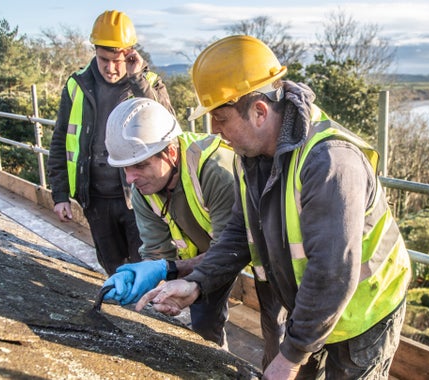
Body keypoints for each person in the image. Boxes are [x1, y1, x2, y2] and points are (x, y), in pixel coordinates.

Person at [134, 35, 411, 379]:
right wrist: (198, 282)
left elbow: (331, 272)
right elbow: (239, 233)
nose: (217, 133)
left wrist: (290, 356)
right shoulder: (250, 156)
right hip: (308, 307)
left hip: (365, 310)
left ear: (259, 111)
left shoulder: (328, 163)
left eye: (220, 119)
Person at [99, 97, 237, 346]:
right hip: (209, 250)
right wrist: (146, 273)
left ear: (171, 153)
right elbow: (156, 250)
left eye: (140, 165)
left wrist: (169, 269)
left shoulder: (214, 171)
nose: (130, 178)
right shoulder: (145, 188)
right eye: (125, 168)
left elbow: (231, 251)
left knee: (275, 324)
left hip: (255, 243)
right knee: (204, 321)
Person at [47, 10, 173, 275]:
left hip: (139, 196)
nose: (111, 67)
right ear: (94, 50)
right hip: (94, 198)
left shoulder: (148, 83)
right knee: (112, 266)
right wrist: (60, 195)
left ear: (130, 54)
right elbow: (60, 140)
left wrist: (137, 79)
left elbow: (169, 131)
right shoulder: (77, 84)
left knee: (144, 265)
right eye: (104, 59)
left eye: (117, 60)